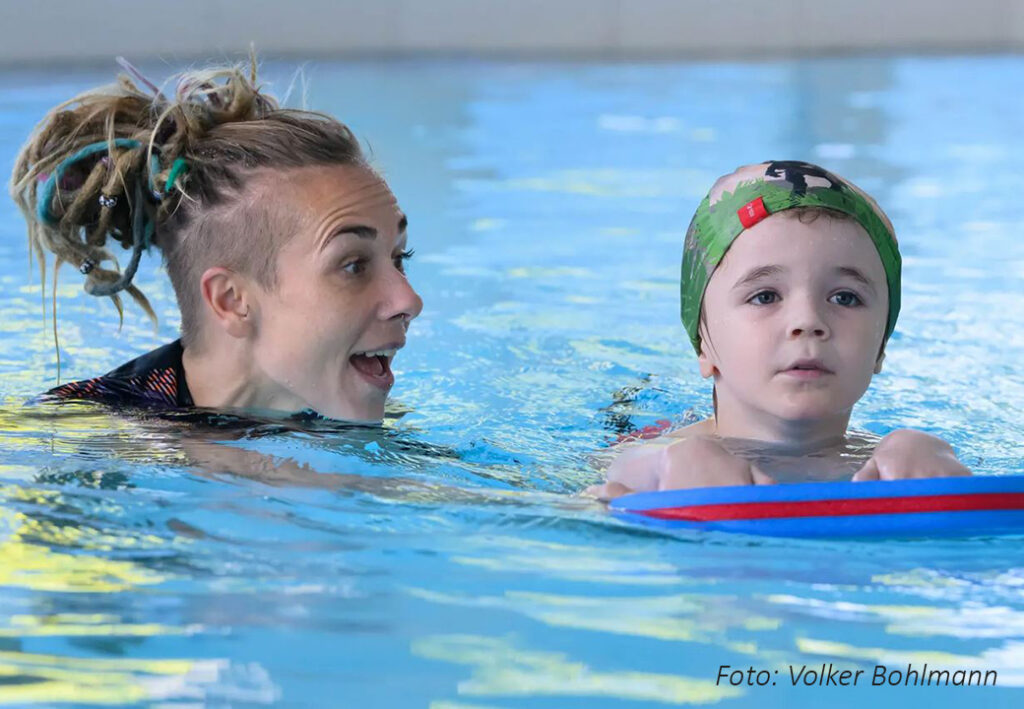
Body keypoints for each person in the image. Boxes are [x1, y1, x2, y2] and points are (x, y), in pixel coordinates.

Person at [9, 58, 422, 422]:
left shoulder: (347, 409)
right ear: (232, 301)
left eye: (399, 257)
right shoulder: (85, 433)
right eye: (354, 265)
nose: (409, 300)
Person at [589, 161, 970, 499]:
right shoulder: (656, 460)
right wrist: (667, 464)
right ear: (703, 344)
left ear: (882, 344)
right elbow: (613, 479)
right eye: (765, 296)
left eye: (845, 298)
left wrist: (930, 454)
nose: (808, 321)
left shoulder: (892, 463)